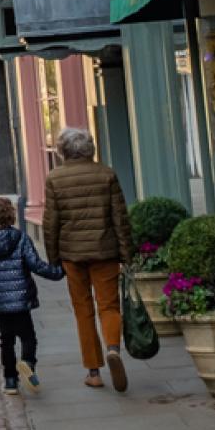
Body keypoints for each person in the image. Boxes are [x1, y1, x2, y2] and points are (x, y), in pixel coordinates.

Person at [42, 127, 134, 391]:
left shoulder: (55, 178)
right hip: (105, 251)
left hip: (72, 253)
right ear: (90, 148)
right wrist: (127, 253)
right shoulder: (106, 174)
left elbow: (51, 222)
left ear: (62, 150)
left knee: (83, 310)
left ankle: (93, 371)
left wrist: (53, 258)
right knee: (109, 305)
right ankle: (114, 349)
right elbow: (120, 217)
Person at [0, 196, 64, 397]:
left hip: (1, 304)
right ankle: (27, 363)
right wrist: (58, 272)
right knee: (28, 337)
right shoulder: (21, 238)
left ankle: (10, 381)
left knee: (6, 340)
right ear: (10, 215)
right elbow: (35, 265)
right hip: (21, 299)